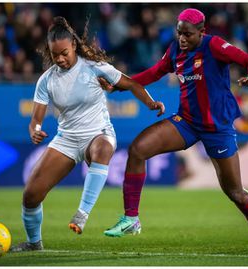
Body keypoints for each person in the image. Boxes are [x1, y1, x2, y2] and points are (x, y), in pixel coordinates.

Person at [102, 8, 248, 251]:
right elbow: (154, 73)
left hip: (217, 128)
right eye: (179, 33)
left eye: (187, 34)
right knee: (138, 149)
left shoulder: (215, 45)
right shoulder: (176, 49)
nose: (182, 39)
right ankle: (131, 219)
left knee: (235, 192)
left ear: (201, 32)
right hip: (186, 122)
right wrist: (120, 85)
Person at [10, 16, 164, 252]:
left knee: (102, 149)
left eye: (64, 52)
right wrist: (36, 131)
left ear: (73, 45)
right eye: (54, 55)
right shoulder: (46, 81)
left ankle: (82, 214)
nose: (60, 59)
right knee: (30, 196)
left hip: (99, 133)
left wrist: (151, 103)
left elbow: (132, 83)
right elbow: (35, 121)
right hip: (67, 140)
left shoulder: (95, 68)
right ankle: (33, 243)